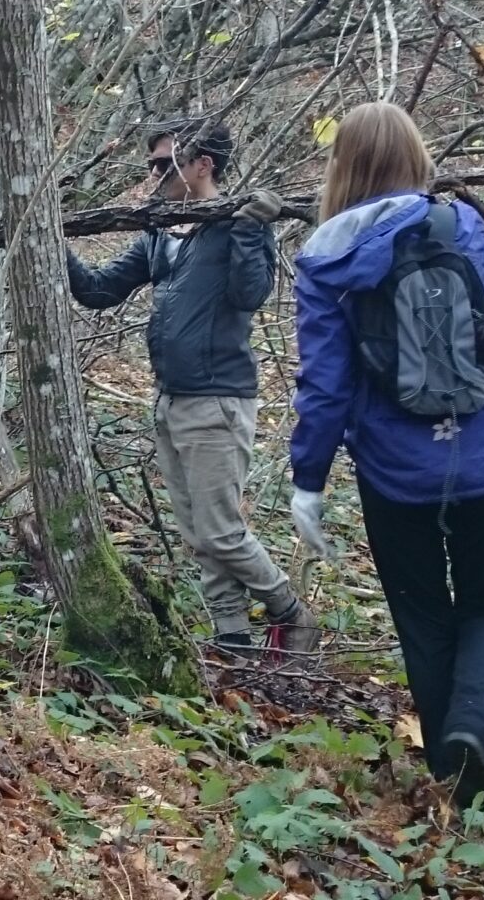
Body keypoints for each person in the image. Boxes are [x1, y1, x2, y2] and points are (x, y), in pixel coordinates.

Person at [287, 101, 484, 808]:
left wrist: (309, 480)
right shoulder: (464, 225)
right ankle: (471, 728)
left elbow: (325, 386)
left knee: (421, 614)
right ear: (416, 155)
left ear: (344, 166)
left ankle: (454, 776)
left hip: (395, 470)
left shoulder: (326, 255)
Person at [66, 116, 313, 654]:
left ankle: (291, 612)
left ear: (202, 165)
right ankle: (234, 638)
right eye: (151, 163)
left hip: (218, 400)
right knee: (200, 538)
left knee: (222, 530)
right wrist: (47, 240)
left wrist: (252, 227)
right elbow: (98, 291)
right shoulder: (160, 235)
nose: (153, 174)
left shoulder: (236, 225)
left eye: (164, 163)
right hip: (171, 399)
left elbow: (250, 295)